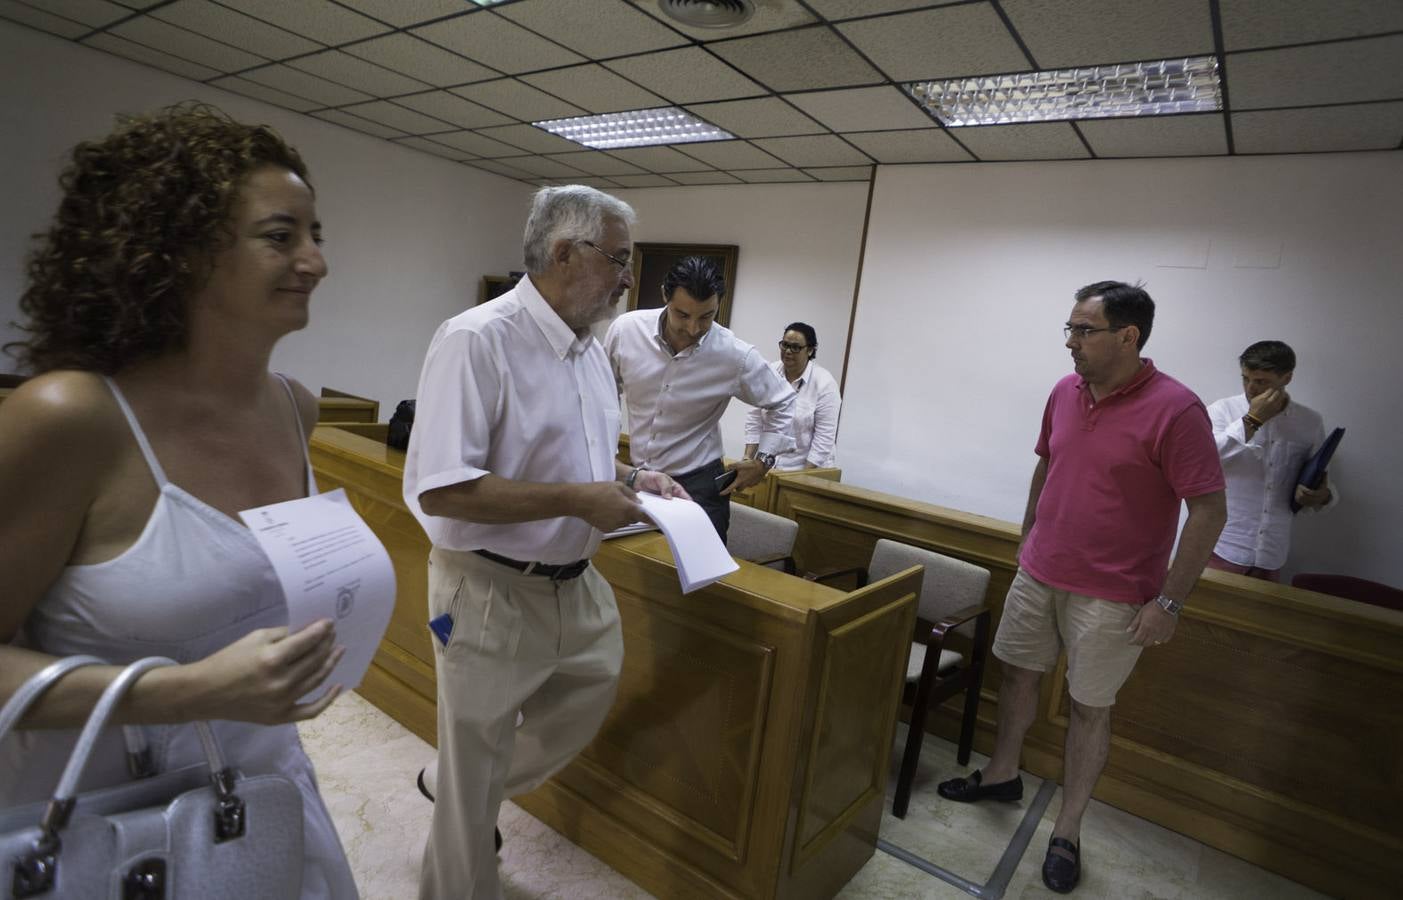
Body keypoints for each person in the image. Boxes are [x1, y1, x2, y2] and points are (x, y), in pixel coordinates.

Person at [0, 104, 358, 897]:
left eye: (315, 234)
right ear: (185, 253)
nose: (315, 261)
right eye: (281, 235)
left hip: (261, 798)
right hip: (107, 826)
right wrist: (187, 692)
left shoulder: (295, 409)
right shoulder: (70, 418)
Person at [403, 185, 687, 900]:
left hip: (574, 582)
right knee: (474, 784)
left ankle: (453, 782)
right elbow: (441, 488)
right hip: (487, 586)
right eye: (618, 259)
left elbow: (574, 461)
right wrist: (576, 500)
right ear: (565, 252)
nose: (629, 278)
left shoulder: (591, 349)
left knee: (590, 691)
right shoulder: (476, 340)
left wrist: (633, 477)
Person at [936, 282, 1226, 894]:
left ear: (1128, 335)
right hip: (1040, 571)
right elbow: (1047, 462)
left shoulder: (1178, 410)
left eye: (1083, 330)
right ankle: (1001, 774)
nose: (1071, 342)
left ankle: (1066, 830)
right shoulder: (1065, 391)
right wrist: (1026, 536)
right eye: (1069, 329)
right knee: (1016, 673)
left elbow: (1208, 511)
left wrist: (1169, 602)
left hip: (1115, 594)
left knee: (1090, 710)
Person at [604, 256, 795, 542]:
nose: (693, 329)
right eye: (682, 315)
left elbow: (784, 401)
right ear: (665, 295)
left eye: (706, 316)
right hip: (637, 480)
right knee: (632, 572)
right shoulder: (626, 330)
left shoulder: (733, 354)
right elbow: (603, 394)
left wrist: (763, 461)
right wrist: (604, 457)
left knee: (700, 583)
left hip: (700, 488)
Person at [1205, 341, 1337, 581]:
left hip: (1272, 552)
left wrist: (1322, 496)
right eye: (1246, 378)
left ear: (1287, 378)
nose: (1251, 388)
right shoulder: (1221, 410)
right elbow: (1205, 461)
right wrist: (1251, 420)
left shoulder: (1310, 422)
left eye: (1261, 381)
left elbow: (1320, 478)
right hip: (1222, 544)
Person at [743, 322, 840, 470]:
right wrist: (748, 459)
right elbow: (754, 418)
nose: (788, 351)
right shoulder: (769, 372)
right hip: (768, 464)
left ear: (810, 350)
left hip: (807, 468)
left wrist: (801, 479)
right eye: (784, 345)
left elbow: (824, 439)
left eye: (795, 347)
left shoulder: (825, 384)